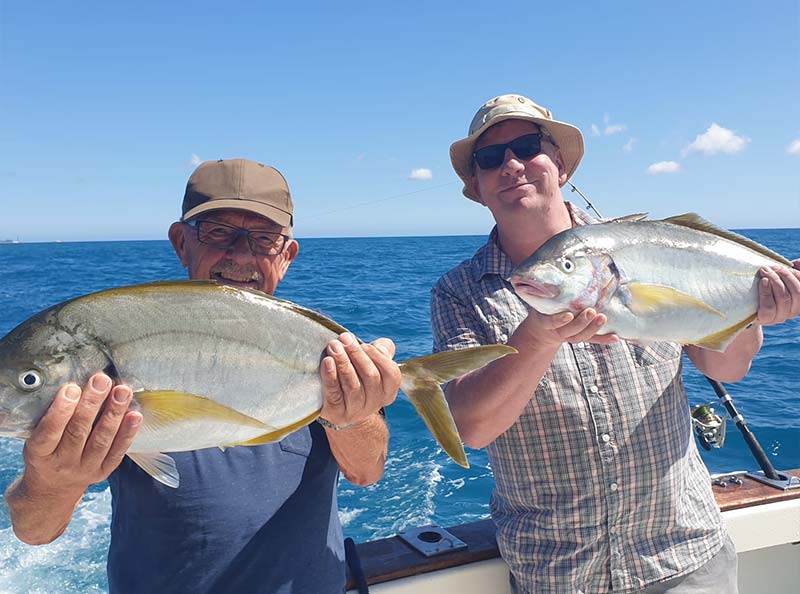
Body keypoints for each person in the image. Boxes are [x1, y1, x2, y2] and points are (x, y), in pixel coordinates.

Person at [431, 94, 800, 594]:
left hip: (685, 558)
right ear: (475, 185)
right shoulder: (458, 292)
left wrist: (756, 312)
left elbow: (726, 367)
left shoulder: (643, 245)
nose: (512, 165)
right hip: (558, 575)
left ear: (559, 165)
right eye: (490, 158)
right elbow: (470, 427)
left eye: (526, 146)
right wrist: (539, 334)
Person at [4, 158, 402, 593]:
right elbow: (35, 531)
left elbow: (367, 472)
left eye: (264, 239)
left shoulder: (321, 348)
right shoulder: (120, 341)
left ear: (285, 256)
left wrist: (349, 413)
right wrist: (54, 478)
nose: (240, 255)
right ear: (181, 242)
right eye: (217, 232)